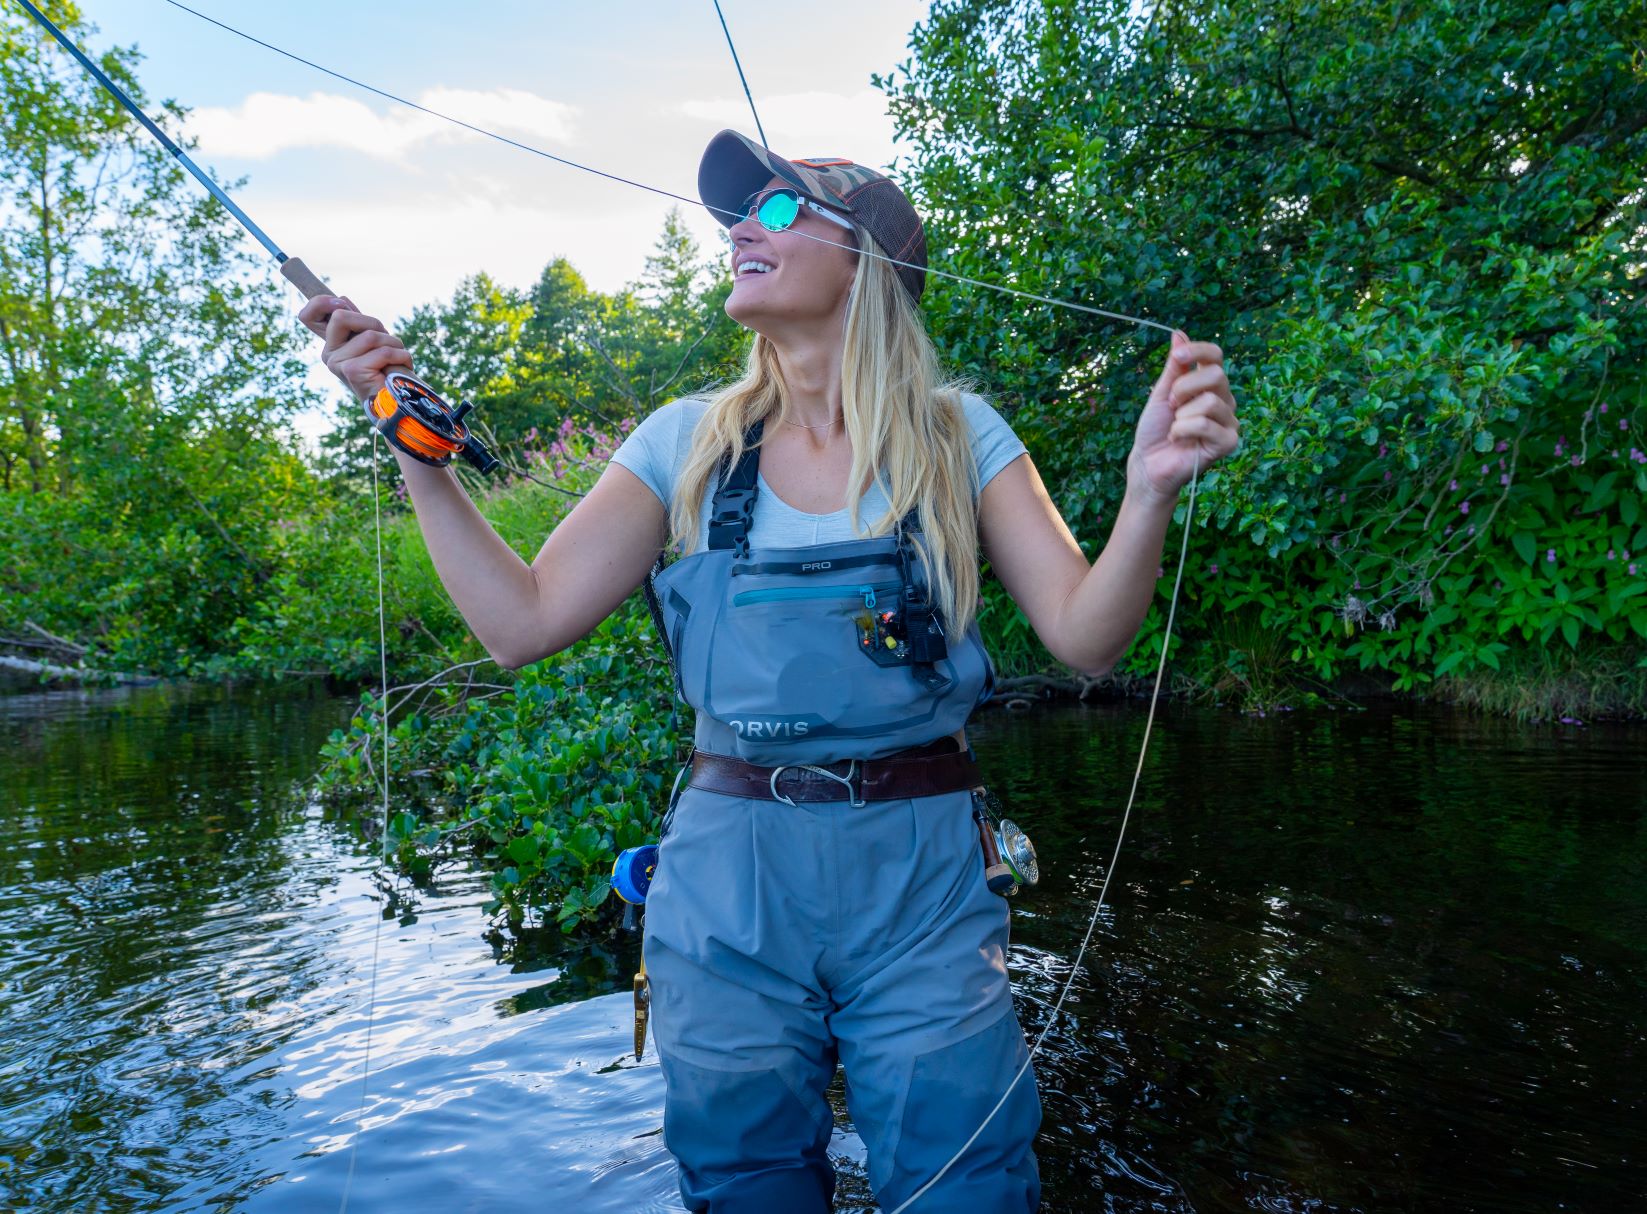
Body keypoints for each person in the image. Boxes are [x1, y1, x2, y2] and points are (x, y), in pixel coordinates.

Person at [299, 129, 1239, 1213]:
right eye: (738, 215)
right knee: (743, 1186)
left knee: (964, 1185)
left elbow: (1086, 634)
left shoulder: (960, 433)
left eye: (781, 210)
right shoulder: (680, 442)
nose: (744, 227)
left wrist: (1149, 489)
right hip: (725, 877)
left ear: (869, 260)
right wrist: (414, 451)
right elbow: (522, 622)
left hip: (925, 875)